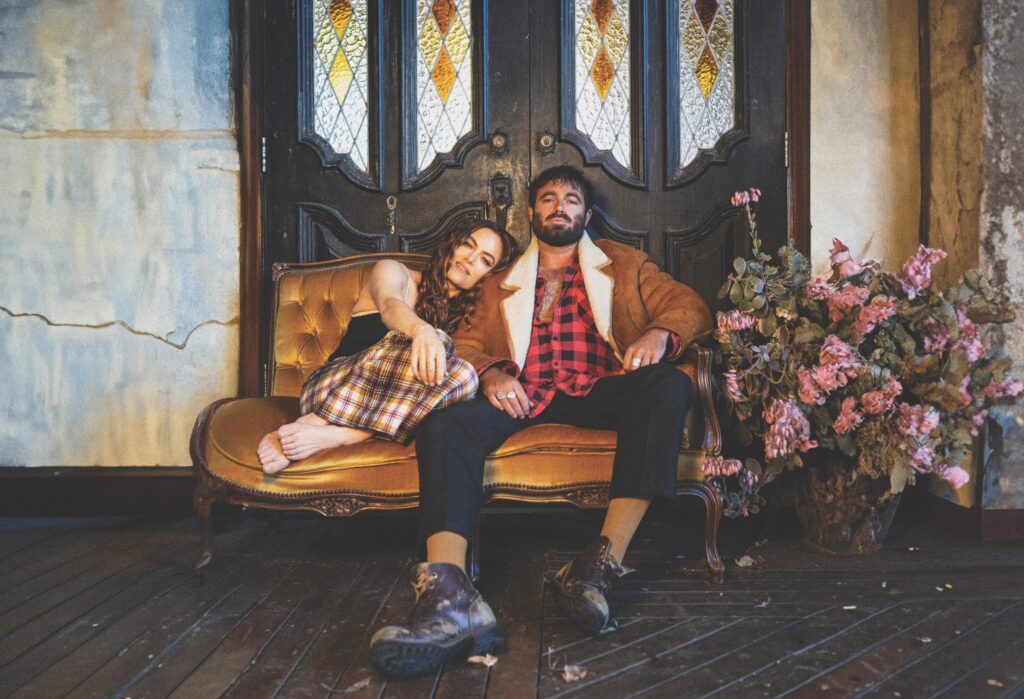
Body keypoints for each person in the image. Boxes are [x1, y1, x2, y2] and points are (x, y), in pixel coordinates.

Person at [368, 166, 713, 678]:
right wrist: (490, 373)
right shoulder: (499, 281)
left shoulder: (625, 263)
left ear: (586, 216)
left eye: (571, 199)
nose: (559, 206)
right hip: (524, 393)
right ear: (531, 212)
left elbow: (690, 306)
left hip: (599, 387)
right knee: (445, 424)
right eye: (548, 198)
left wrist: (660, 333)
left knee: (668, 384)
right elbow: (466, 341)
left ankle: (598, 567)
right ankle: (450, 595)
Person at [256, 220, 519, 474]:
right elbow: (390, 305)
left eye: (485, 260)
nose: (470, 259)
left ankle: (346, 434)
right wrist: (423, 332)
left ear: (490, 275)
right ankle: (316, 421)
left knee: (466, 376)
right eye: (467, 245)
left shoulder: (468, 324)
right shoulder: (395, 271)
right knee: (413, 341)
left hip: (381, 410)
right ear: (452, 244)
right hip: (331, 390)